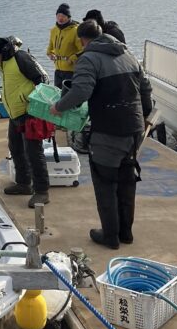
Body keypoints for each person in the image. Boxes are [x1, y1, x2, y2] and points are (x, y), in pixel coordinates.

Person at [49, 19, 152, 249]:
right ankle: (126, 233)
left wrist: (58, 107)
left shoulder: (89, 58)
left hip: (108, 130)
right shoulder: (128, 54)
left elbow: (81, 90)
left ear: (82, 39)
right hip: (134, 130)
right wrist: (141, 116)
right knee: (127, 180)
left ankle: (110, 236)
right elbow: (146, 88)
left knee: (105, 182)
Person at [0, 37, 51, 206]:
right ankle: (23, 183)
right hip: (15, 113)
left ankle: (42, 191)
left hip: (29, 112)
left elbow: (43, 79)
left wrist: (34, 103)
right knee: (15, 148)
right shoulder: (2, 62)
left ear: (0, 52)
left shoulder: (21, 58)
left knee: (34, 152)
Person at [46, 3, 82, 89]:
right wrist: (51, 54)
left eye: (63, 16)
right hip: (58, 70)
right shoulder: (53, 30)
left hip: (71, 71)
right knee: (58, 95)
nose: (60, 18)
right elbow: (50, 49)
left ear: (68, 17)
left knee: (69, 97)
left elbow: (84, 49)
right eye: (58, 15)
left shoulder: (76, 31)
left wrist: (73, 58)